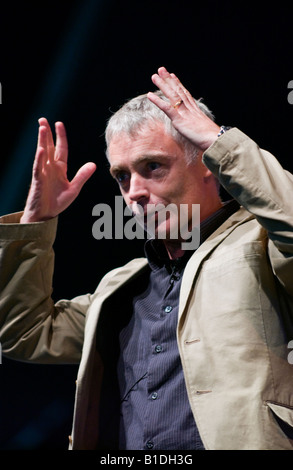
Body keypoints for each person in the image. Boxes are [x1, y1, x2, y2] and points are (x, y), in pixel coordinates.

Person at [1, 66, 293, 450]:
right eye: (122, 176)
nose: (134, 192)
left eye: (152, 166)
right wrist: (35, 222)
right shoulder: (121, 287)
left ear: (209, 165)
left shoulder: (261, 242)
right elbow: (23, 332)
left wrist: (219, 140)